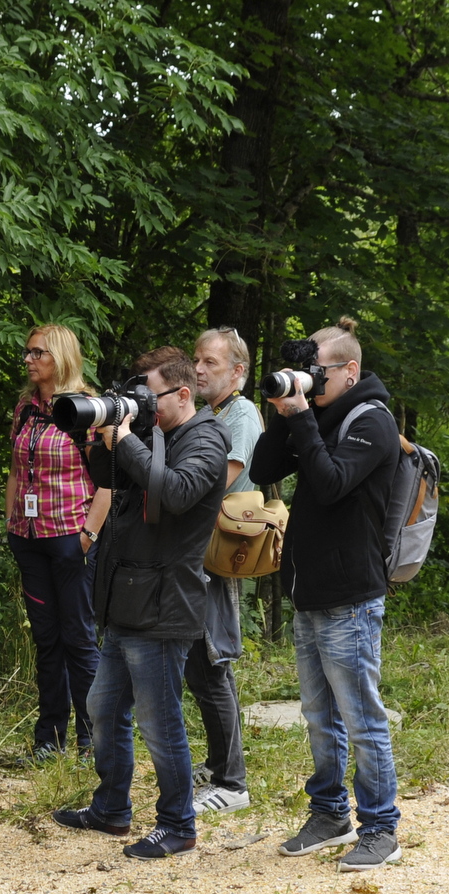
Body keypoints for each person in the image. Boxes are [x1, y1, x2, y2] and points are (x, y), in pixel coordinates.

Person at [53, 346, 228, 859]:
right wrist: (104, 432)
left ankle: (178, 823)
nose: (142, 406)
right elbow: (107, 479)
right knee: (103, 710)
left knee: (160, 720)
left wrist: (128, 435)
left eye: (148, 398)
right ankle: (111, 808)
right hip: (124, 599)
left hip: (165, 604)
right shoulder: (154, 433)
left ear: (181, 393)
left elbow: (173, 492)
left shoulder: (207, 439)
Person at [248, 316, 405, 872]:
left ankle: (382, 826)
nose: (310, 380)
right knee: (318, 714)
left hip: (350, 594)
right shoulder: (318, 413)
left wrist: (303, 420)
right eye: (304, 370)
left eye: (318, 371)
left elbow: (333, 482)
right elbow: (265, 468)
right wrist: (285, 412)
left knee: (361, 716)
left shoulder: (372, 421)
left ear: (350, 370)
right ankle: (329, 812)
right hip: (309, 588)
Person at [5, 324, 111, 763]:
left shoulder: (86, 408)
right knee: (46, 639)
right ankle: (48, 739)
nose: (29, 360)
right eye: (27, 353)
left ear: (61, 357)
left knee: (79, 639)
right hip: (29, 538)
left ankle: (93, 741)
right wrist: (10, 525)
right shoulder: (25, 408)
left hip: (71, 536)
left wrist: (88, 535)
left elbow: (109, 480)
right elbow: (14, 469)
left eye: (37, 353)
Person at [186, 326, 261, 814]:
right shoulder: (210, 413)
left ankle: (233, 784)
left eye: (210, 362)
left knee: (213, 663)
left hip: (217, 554)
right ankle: (217, 766)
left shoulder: (243, 413)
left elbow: (217, 480)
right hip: (196, 551)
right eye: (196, 359)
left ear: (237, 371)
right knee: (199, 663)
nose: (198, 369)